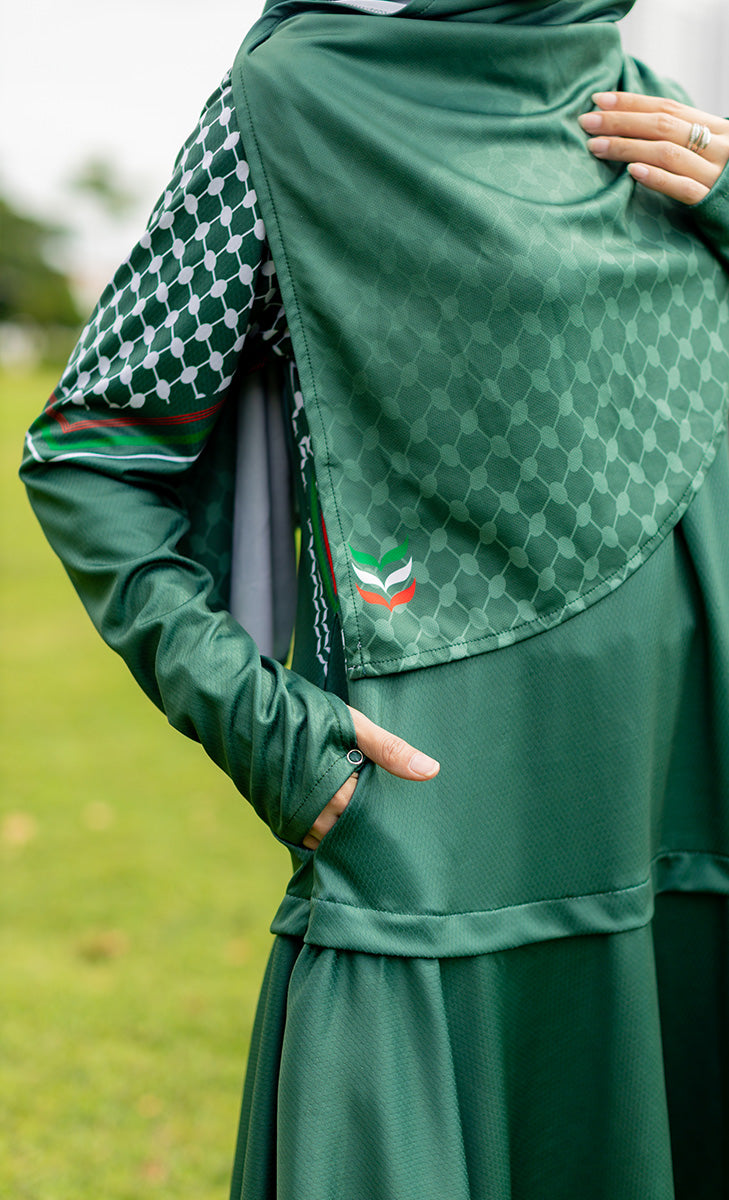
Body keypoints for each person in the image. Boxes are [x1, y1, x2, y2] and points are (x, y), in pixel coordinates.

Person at [20, 0, 729, 1196]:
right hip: (442, 826)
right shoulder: (294, 106)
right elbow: (92, 454)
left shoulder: (652, 108)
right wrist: (263, 728)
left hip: (691, 790)